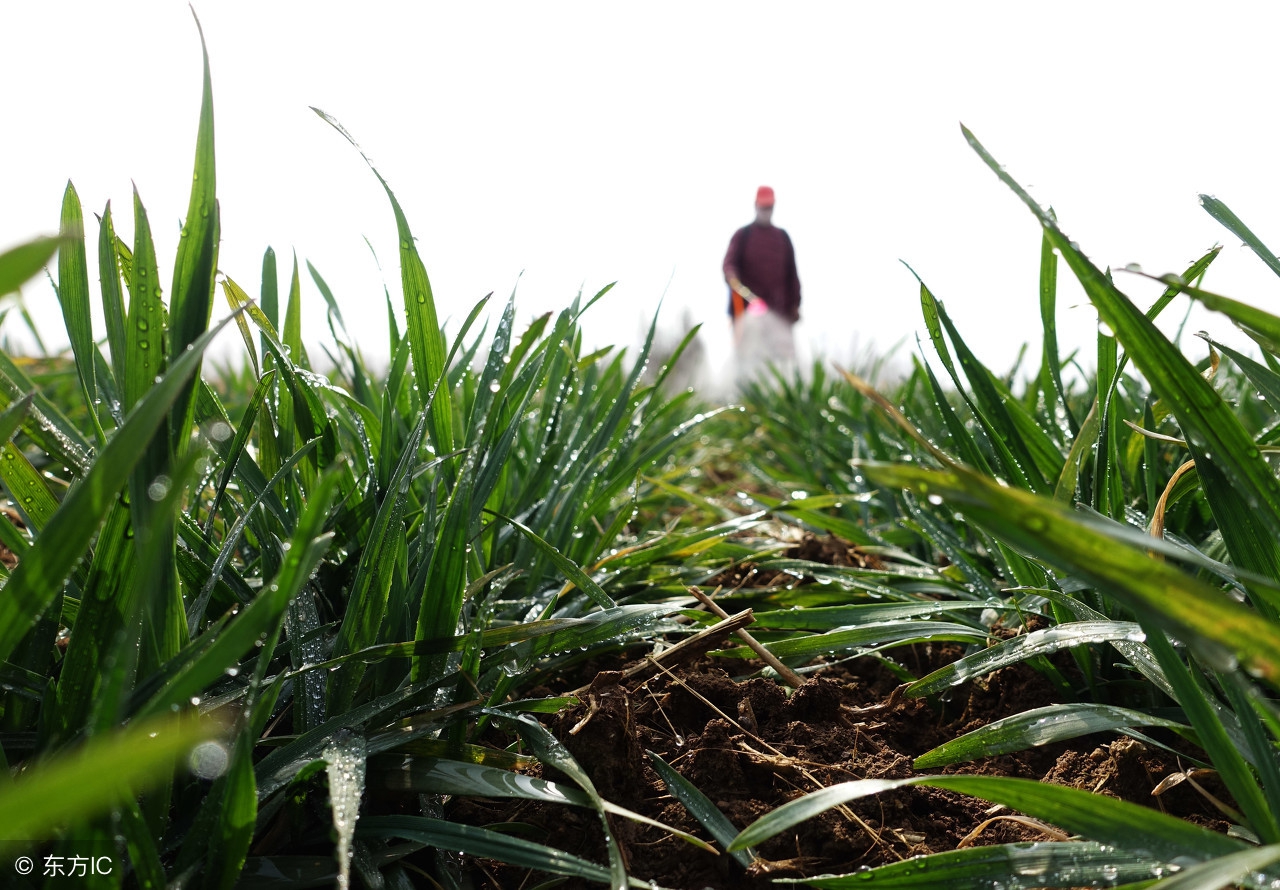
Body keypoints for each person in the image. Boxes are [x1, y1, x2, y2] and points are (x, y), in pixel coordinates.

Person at [723, 186, 801, 377]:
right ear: (756, 206)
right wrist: (732, 277)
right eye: (763, 207)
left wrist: (795, 305)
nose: (766, 211)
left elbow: (792, 275)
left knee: (784, 363)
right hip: (748, 315)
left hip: (779, 315)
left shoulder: (782, 238)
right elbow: (729, 264)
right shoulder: (743, 236)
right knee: (749, 362)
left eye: (769, 207)